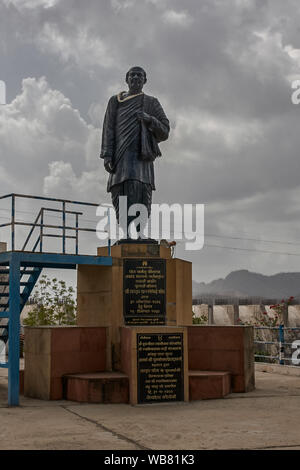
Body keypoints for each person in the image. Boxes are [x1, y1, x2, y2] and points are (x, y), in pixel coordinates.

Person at [100, 66, 170, 240]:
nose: (136, 77)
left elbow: (165, 130)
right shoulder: (114, 101)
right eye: (133, 74)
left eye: (140, 75)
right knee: (120, 193)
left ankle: (139, 233)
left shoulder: (151, 103)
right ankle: (126, 233)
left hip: (142, 158)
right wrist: (107, 154)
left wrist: (149, 119)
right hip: (120, 158)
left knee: (141, 192)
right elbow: (108, 128)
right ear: (127, 79)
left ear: (145, 80)